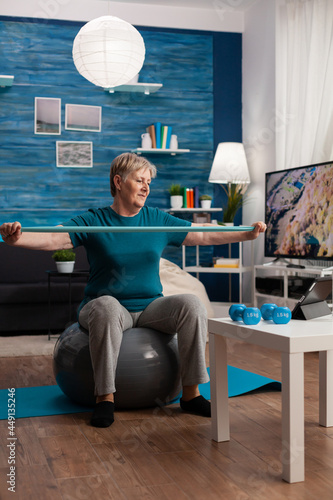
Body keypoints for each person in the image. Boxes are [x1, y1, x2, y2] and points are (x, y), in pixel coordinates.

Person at [0, 152, 266, 428]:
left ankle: (191, 394)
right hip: (105, 308)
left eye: (148, 181)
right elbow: (54, 236)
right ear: (118, 181)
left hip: (150, 307)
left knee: (192, 304)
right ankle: (105, 398)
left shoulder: (155, 220)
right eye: (139, 180)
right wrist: (16, 238)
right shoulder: (96, 220)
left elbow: (202, 233)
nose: (146, 187)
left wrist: (247, 234)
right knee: (106, 305)